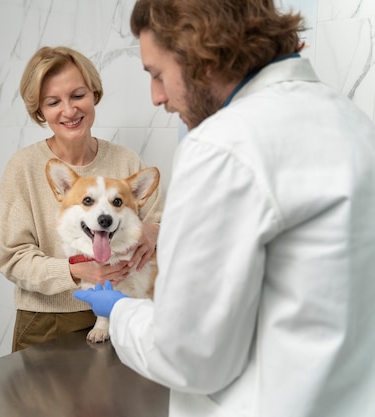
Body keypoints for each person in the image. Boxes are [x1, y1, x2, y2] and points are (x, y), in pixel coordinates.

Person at [74, 1, 375, 416]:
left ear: (203, 55)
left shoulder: (223, 145)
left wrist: (121, 311)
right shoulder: (353, 122)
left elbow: (190, 358)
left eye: (158, 75)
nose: (157, 97)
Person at [0, 46, 165, 352]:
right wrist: (75, 271)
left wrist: (154, 231)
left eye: (77, 95)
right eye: (53, 102)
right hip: (49, 321)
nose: (69, 110)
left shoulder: (126, 160)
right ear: (40, 111)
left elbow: (166, 226)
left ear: (94, 94)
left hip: (128, 312)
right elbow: (12, 257)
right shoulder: (23, 167)